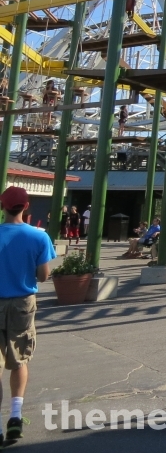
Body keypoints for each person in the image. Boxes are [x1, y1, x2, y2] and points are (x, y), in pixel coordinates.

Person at [0, 186, 55, 446]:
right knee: (19, 360)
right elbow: (43, 276)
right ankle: (15, 416)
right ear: (26, 206)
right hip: (23, 302)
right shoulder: (39, 237)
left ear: (2, 206)